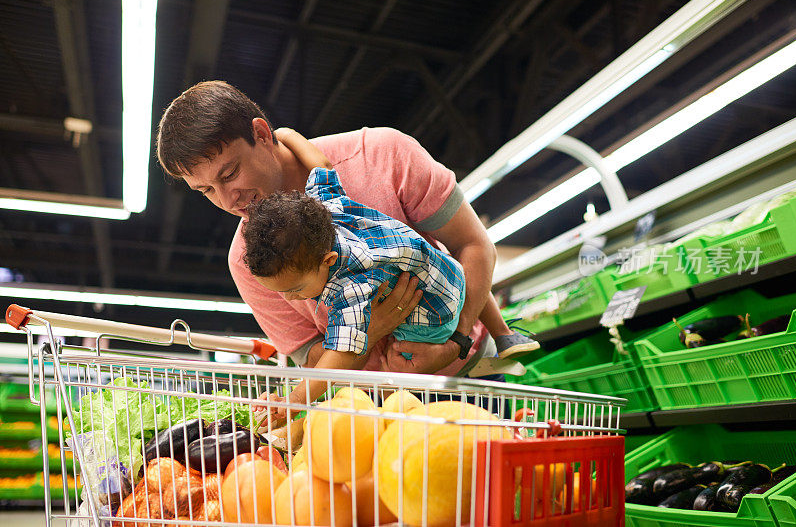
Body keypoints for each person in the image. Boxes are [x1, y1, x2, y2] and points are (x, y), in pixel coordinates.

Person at [156, 80, 535, 382]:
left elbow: (473, 245)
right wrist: (369, 332)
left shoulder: (382, 155)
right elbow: (310, 356)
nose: (227, 200)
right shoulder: (248, 261)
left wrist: (456, 339)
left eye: (229, 173)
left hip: (470, 376)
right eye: (205, 191)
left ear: (262, 134)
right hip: (374, 414)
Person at [242, 128, 471, 407]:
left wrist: (294, 400)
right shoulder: (326, 206)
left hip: (437, 311)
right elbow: (321, 165)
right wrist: (287, 134)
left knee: (394, 373)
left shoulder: (351, 285)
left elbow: (342, 352)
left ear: (328, 261)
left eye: (296, 289)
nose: (290, 298)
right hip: (448, 270)